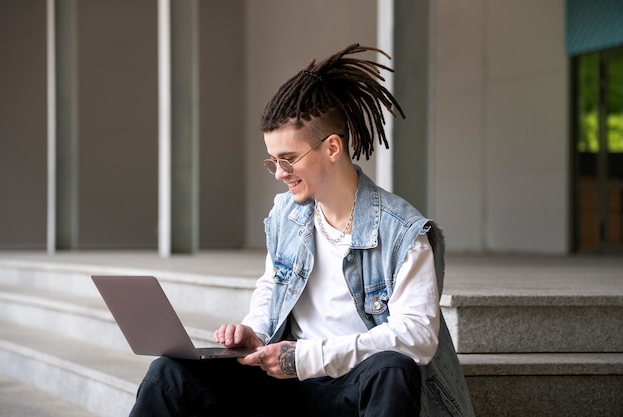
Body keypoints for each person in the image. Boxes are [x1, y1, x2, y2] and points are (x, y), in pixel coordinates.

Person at [129, 43, 474, 417]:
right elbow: (271, 284)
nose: (279, 173)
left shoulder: (403, 233)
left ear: (332, 147)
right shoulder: (287, 214)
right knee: (169, 374)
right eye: (272, 161)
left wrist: (306, 358)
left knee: (393, 368)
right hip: (288, 386)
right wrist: (255, 332)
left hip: (353, 387)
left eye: (289, 159)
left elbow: (417, 338)